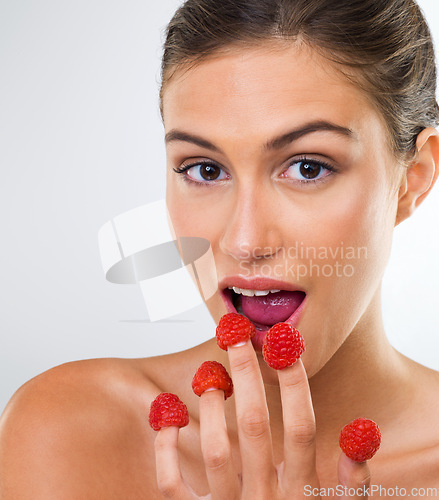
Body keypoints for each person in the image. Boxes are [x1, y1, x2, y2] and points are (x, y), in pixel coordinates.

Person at [1, 0, 439, 497]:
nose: (245, 242)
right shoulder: (70, 434)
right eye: (205, 170)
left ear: (412, 180)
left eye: (308, 167)